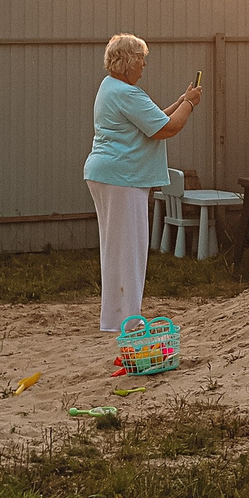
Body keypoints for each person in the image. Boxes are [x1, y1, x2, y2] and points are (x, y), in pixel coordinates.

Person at [84, 33, 200, 335]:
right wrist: (190, 104)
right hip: (123, 177)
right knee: (130, 251)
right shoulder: (127, 93)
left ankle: (115, 319)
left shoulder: (110, 87)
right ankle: (130, 321)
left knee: (116, 250)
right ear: (126, 61)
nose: (144, 64)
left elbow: (153, 120)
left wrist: (180, 102)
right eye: (140, 59)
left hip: (107, 174)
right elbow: (166, 128)